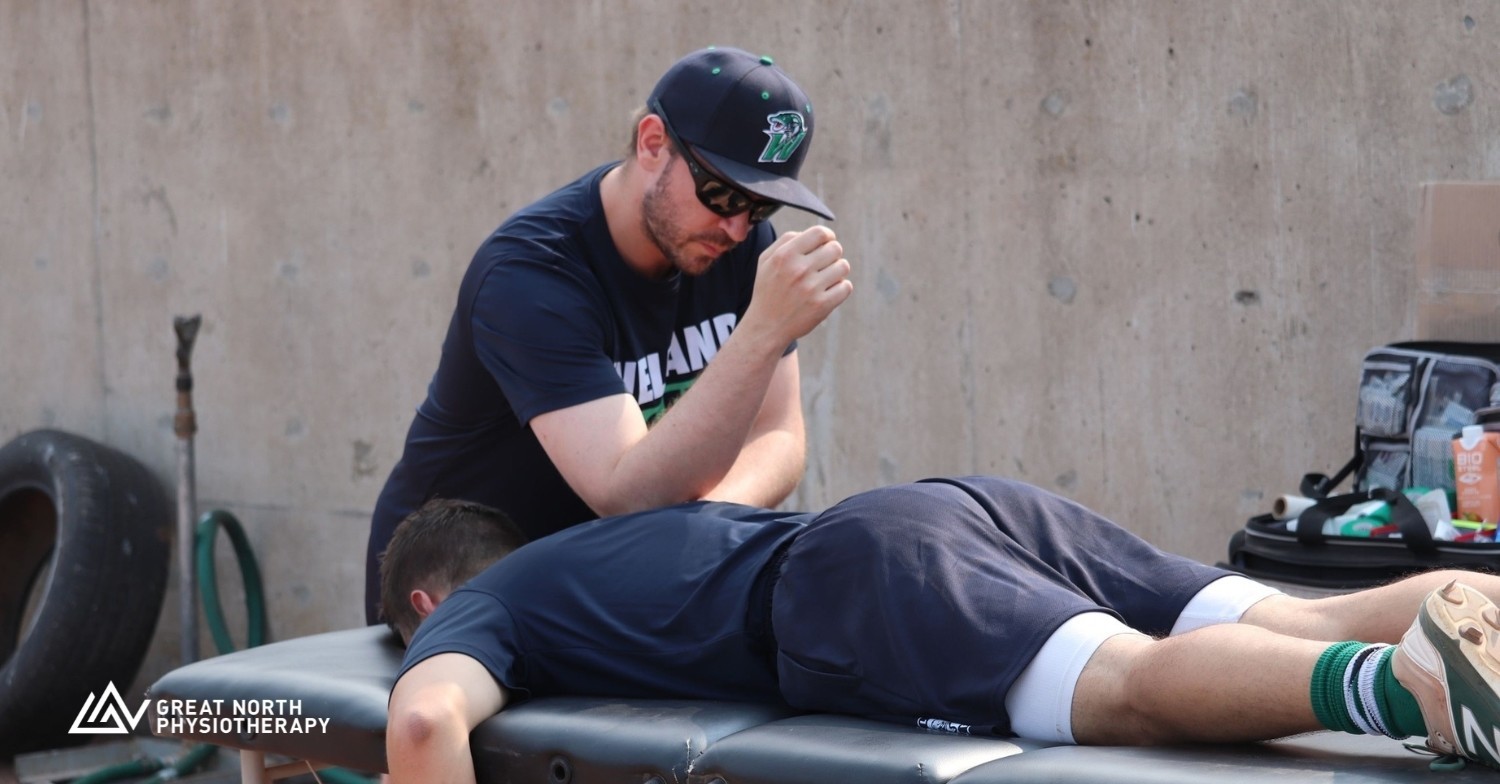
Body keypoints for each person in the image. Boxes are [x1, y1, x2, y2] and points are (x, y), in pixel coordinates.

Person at [380, 476, 1500, 782]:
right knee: (1297, 610)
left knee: (1134, 693)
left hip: (858, 587)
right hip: (956, 505)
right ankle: (1468, 621)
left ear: (426, 604)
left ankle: (1407, 694)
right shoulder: (597, 549)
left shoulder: (485, 606)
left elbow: (429, 723)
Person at [362, 46, 852, 624]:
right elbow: (627, 494)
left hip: (597, 574)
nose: (737, 226)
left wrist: (697, 528)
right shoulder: (531, 274)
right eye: (722, 193)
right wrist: (762, 333)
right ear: (652, 143)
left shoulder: (743, 247)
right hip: (462, 578)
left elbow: (779, 437)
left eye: (762, 204)